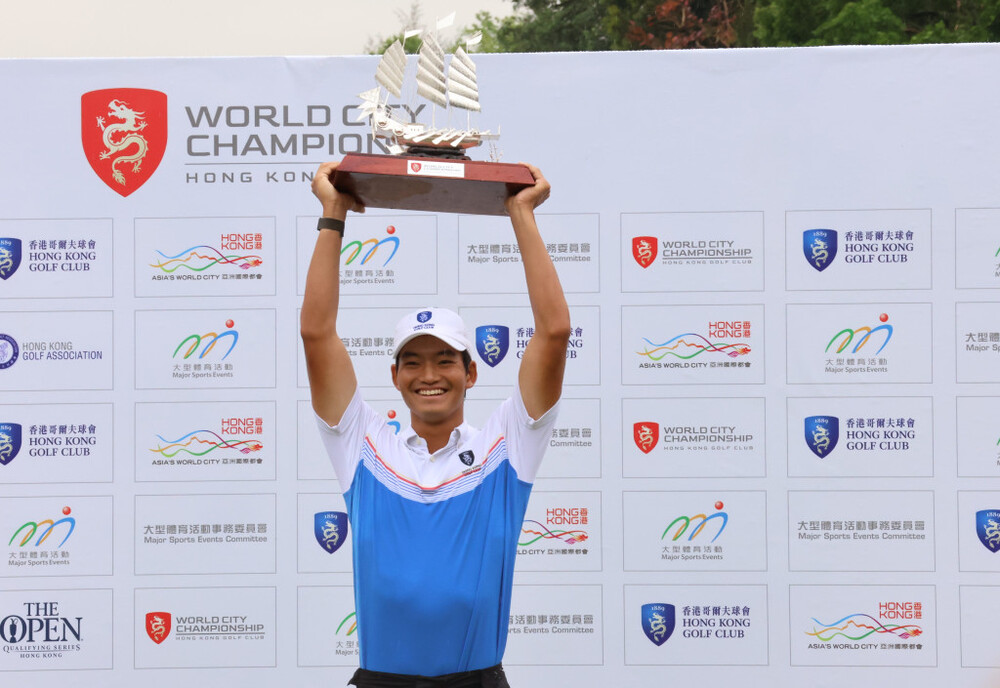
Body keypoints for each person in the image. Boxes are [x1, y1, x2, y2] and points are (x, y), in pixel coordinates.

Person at [301, 160, 571, 688]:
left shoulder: (507, 442)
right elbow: (318, 335)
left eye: (446, 360)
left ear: (471, 373)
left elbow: (554, 332)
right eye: (414, 362)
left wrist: (520, 213)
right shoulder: (363, 443)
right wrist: (333, 214)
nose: (430, 375)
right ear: (395, 376)